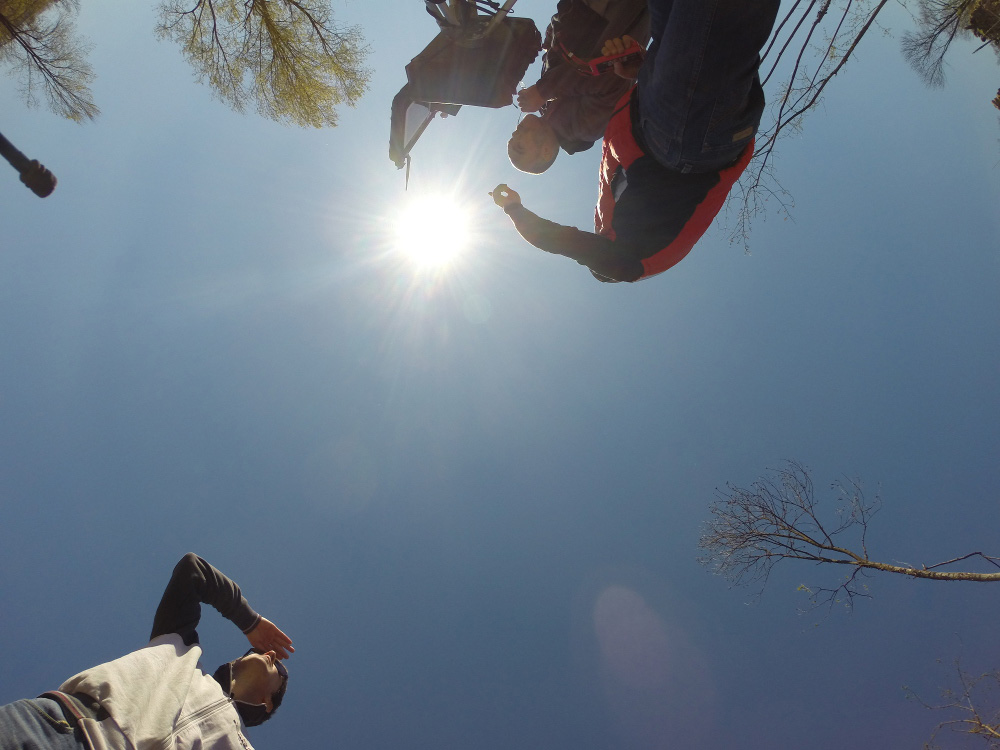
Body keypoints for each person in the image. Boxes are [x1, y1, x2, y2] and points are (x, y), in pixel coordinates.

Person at [493, 0, 782, 282]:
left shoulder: (612, 210)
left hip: (669, 121)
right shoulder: (630, 260)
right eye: (519, 145)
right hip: (683, 144)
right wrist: (515, 210)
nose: (516, 135)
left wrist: (643, 74)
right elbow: (575, 247)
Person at [0, 553, 293, 750]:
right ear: (234, 663)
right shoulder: (180, 650)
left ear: (268, 702)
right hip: (59, 732)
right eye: (257, 652)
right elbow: (193, 571)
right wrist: (249, 620)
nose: (269, 655)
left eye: (278, 668)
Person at [508, 0, 650, 173]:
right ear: (546, 152)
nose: (514, 136)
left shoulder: (548, 106)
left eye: (511, 139)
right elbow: (611, 78)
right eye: (519, 147)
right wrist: (542, 90)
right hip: (615, 10)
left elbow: (562, 54)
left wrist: (548, 41)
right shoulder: (585, 129)